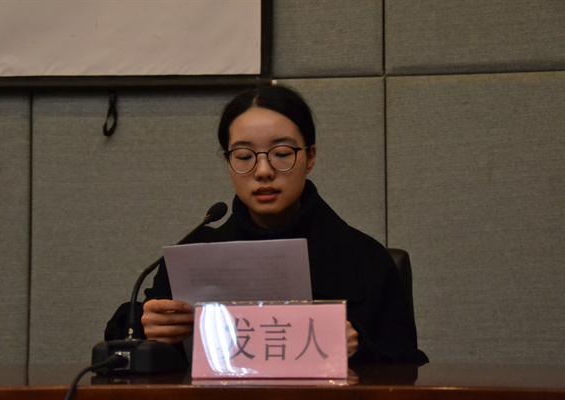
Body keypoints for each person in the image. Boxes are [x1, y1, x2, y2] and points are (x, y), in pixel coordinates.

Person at [105, 85, 428, 364]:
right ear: (228, 163)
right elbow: (130, 346)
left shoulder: (365, 259)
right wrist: (145, 326)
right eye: (244, 156)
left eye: (282, 153)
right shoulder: (194, 255)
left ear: (310, 157)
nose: (263, 171)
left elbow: (408, 367)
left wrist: (359, 351)